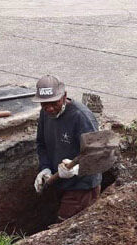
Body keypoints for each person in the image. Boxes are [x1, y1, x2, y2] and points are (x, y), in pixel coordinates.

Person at [32, 75, 102, 221]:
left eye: (54, 103)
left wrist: (76, 169)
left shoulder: (81, 117)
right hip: (60, 183)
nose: (50, 108)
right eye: (44, 104)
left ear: (64, 96)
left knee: (64, 227)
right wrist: (45, 168)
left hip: (82, 188)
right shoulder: (45, 114)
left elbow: (99, 156)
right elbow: (41, 144)